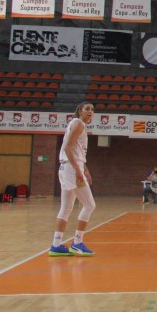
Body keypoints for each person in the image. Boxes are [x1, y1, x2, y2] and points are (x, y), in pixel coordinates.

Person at [49, 103, 97, 257]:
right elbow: (68, 148)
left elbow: (76, 152)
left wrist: (85, 169)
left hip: (67, 167)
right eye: (87, 109)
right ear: (80, 111)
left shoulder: (77, 124)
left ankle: (56, 244)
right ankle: (77, 243)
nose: (90, 112)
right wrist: (78, 171)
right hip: (70, 168)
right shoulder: (78, 124)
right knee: (89, 205)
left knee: (66, 208)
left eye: (92, 110)